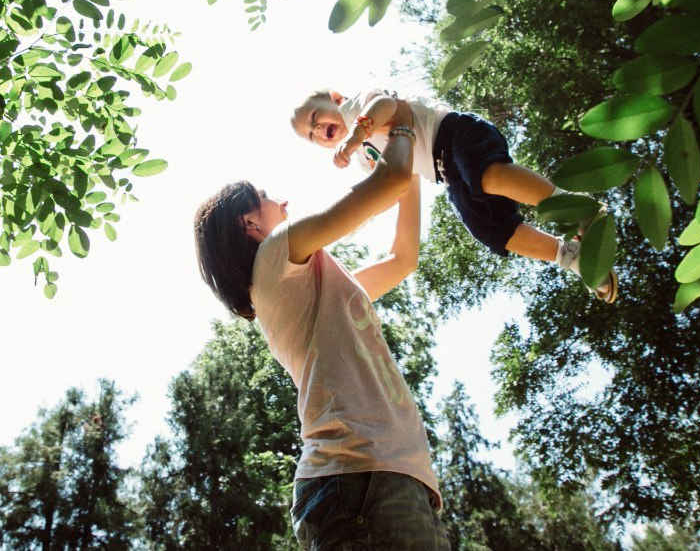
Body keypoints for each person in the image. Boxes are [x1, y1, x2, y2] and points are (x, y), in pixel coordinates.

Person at [194, 123, 451, 549]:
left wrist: (414, 168)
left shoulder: (309, 285)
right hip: (359, 479)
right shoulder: (276, 255)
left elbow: (402, 260)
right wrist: (402, 127)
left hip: (382, 478)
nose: (282, 201)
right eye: (265, 197)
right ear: (248, 221)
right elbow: (386, 182)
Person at [290, 88, 618, 303]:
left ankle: (577, 207)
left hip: (453, 133)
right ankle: (570, 257)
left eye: (316, 117)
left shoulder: (355, 109)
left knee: (487, 176)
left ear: (334, 99)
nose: (318, 130)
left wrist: (358, 132)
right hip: (445, 174)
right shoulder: (365, 158)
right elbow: (390, 189)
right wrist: (359, 215)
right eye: (311, 135)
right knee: (489, 231)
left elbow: (388, 106)